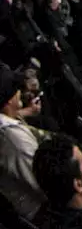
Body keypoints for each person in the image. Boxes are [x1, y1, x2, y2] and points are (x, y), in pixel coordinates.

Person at [0, 60, 48, 219]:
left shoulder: (8, 124)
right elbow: (44, 185)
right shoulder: (13, 139)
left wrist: (27, 112)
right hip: (43, 212)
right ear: (9, 99)